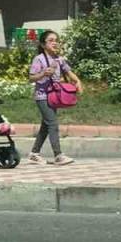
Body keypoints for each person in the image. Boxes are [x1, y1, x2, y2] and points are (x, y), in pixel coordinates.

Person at [28, 30, 81, 166]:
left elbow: (69, 73)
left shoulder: (59, 59)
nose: (54, 43)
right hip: (42, 96)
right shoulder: (39, 59)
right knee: (52, 123)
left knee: (46, 125)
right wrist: (43, 74)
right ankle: (58, 155)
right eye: (51, 40)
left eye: (56, 40)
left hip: (54, 96)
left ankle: (34, 153)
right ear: (43, 44)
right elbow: (31, 77)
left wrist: (78, 81)